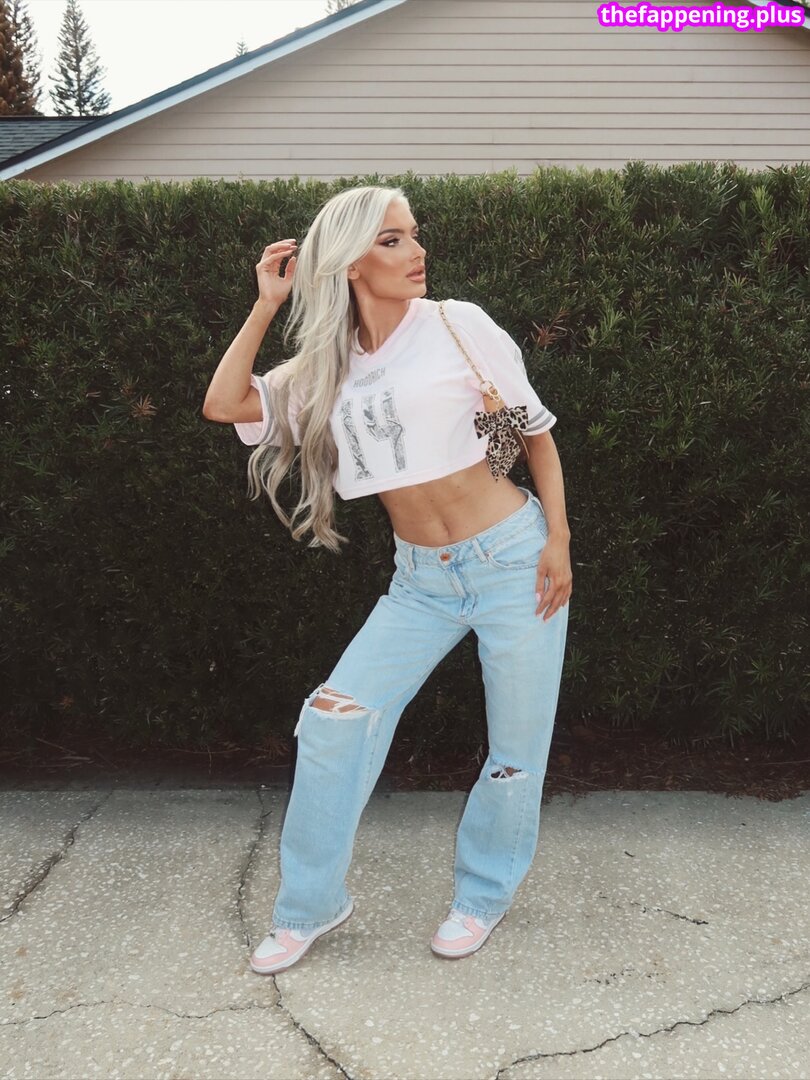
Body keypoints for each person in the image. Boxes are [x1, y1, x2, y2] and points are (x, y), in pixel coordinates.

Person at [202, 184, 572, 975]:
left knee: (515, 751)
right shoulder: (325, 369)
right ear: (349, 263)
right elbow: (224, 403)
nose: (417, 251)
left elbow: (533, 434)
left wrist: (560, 542)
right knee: (333, 719)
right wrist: (266, 305)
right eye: (393, 240)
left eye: (413, 235)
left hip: (514, 560)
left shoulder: (457, 325)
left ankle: (483, 895)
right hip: (421, 582)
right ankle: (309, 906)